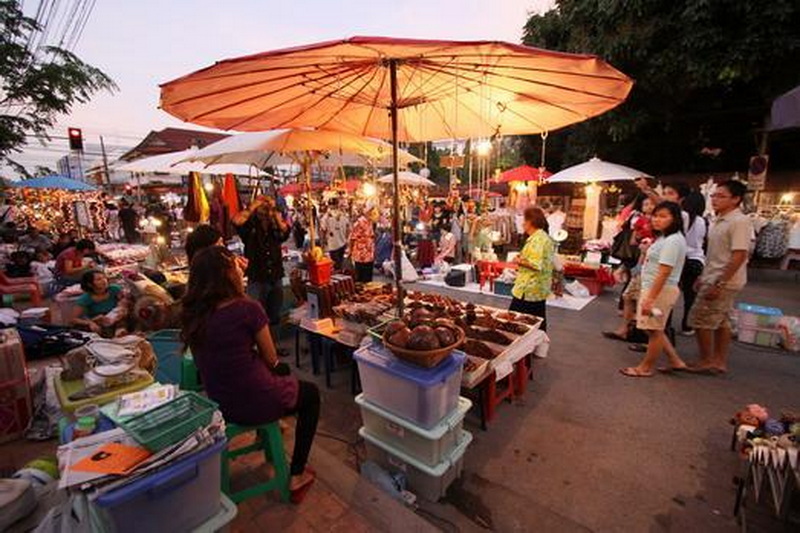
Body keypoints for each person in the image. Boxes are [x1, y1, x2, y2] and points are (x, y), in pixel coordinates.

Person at [181, 246, 319, 503]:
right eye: (234, 264)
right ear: (227, 274)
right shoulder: (247, 308)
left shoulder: (193, 313)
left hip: (222, 403)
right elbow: (270, 357)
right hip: (251, 401)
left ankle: (269, 430)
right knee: (311, 395)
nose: (239, 267)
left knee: (282, 373)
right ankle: (297, 473)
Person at [687, 180, 752, 375]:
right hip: (712, 275)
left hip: (723, 279)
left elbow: (739, 255)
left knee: (701, 319)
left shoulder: (739, 221)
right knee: (721, 321)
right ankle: (718, 361)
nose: (715, 199)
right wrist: (704, 276)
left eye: (721, 196)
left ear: (736, 199)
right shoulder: (718, 219)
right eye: (714, 195)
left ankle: (707, 360)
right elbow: (715, 253)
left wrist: (720, 283)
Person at [620, 202, 688, 377]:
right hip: (655, 288)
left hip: (660, 290)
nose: (657, 219)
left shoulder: (673, 240)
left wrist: (650, 298)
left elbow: (665, 272)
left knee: (654, 331)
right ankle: (674, 360)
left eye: (663, 216)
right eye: (656, 215)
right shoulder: (667, 237)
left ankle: (646, 367)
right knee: (654, 328)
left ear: (675, 219)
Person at [233, 195, 291, 335]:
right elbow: (236, 221)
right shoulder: (249, 226)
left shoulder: (274, 226)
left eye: (266, 208)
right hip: (257, 277)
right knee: (255, 316)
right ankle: (258, 348)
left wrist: (275, 212)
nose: (264, 211)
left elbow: (286, 231)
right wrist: (253, 206)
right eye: (262, 208)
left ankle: (272, 347)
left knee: (274, 315)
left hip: (275, 276)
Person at [510, 206, 554, 330]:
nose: (523, 224)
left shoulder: (538, 239)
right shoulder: (539, 237)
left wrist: (518, 260)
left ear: (530, 222)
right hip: (535, 288)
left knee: (517, 319)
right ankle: (539, 344)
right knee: (537, 320)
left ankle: (524, 346)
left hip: (530, 288)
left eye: (524, 220)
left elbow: (535, 264)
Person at [678, 191, 707, 335]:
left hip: (680, 258)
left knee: (671, 291)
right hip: (696, 259)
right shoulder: (703, 221)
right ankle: (687, 326)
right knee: (690, 296)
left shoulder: (682, 216)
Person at [72, 270, 128, 337]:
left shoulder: (114, 289)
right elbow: (73, 319)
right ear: (90, 284)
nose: (104, 281)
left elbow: (123, 301)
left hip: (116, 319)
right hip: (99, 321)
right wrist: (90, 322)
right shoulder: (85, 299)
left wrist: (122, 309)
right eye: (99, 279)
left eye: (104, 277)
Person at [320, 198, 349, 270]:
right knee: (340, 263)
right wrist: (346, 240)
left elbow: (323, 230)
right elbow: (348, 229)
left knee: (336, 265)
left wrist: (322, 243)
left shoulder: (326, 217)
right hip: (342, 243)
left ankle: (339, 277)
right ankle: (341, 276)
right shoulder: (344, 215)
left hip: (333, 244)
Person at [349, 207, 376, 282]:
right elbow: (352, 238)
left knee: (368, 279)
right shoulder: (359, 222)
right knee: (360, 280)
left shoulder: (370, 222)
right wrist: (350, 252)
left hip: (369, 255)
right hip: (360, 255)